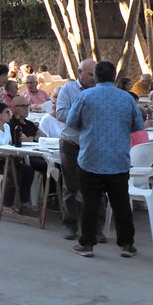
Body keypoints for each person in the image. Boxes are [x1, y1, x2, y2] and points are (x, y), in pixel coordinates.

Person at [66, 60, 145, 258]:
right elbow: (138, 125)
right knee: (121, 203)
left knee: (90, 203)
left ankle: (87, 244)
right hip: (118, 159)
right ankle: (127, 245)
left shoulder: (85, 96)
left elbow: (71, 123)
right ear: (114, 76)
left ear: (96, 76)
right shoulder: (126, 98)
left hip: (91, 157)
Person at [54, 58, 97, 241]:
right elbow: (61, 113)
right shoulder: (67, 90)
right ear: (79, 73)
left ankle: (95, 228)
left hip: (92, 145)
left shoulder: (99, 91)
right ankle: (70, 225)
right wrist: (84, 120)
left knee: (95, 187)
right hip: (71, 144)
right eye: (90, 74)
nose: (93, 78)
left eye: (95, 74)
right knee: (71, 187)